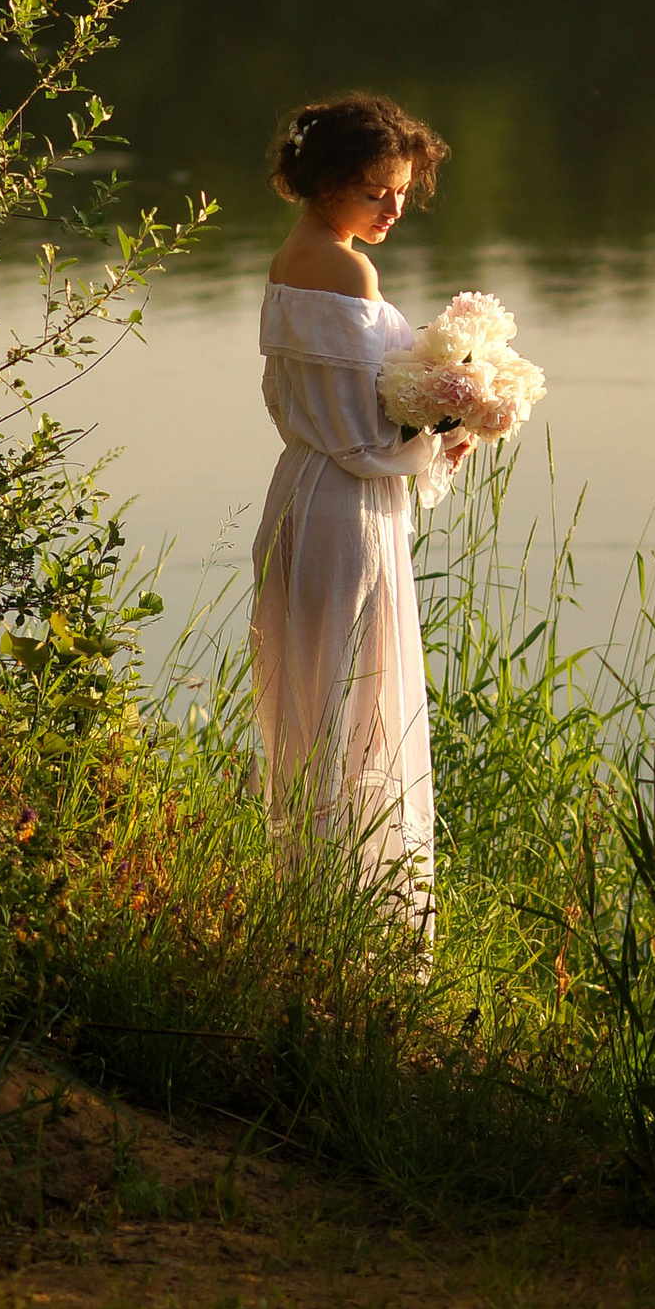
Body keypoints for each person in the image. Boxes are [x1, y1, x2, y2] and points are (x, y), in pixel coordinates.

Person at [252, 90, 465, 938]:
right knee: (355, 695)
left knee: (322, 694)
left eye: (403, 190)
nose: (394, 206)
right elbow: (363, 435)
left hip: (302, 491)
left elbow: (328, 413)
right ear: (330, 179)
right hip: (344, 506)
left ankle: (313, 902)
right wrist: (451, 422)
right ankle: (357, 919)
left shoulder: (292, 254)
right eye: (377, 188)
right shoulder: (346, 269)